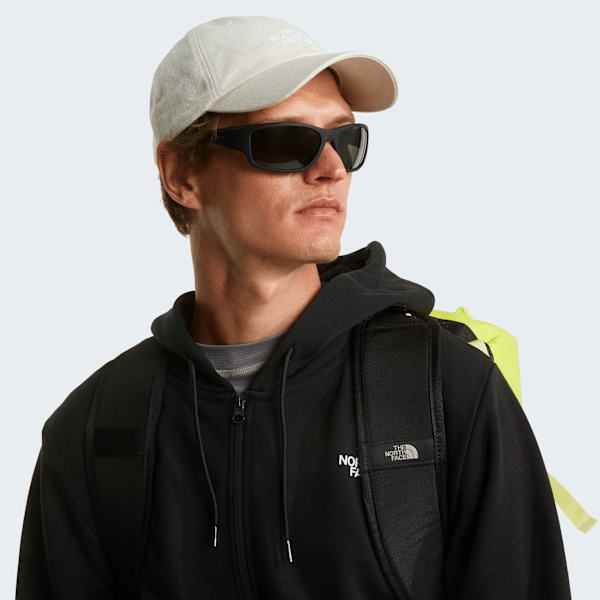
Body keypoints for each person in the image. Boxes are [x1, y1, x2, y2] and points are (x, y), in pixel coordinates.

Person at [16, 15, 572, 599]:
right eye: (285, 143)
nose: (330, 169)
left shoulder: (445, 392)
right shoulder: (97, 430)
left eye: (345, 141)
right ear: (182, 174)